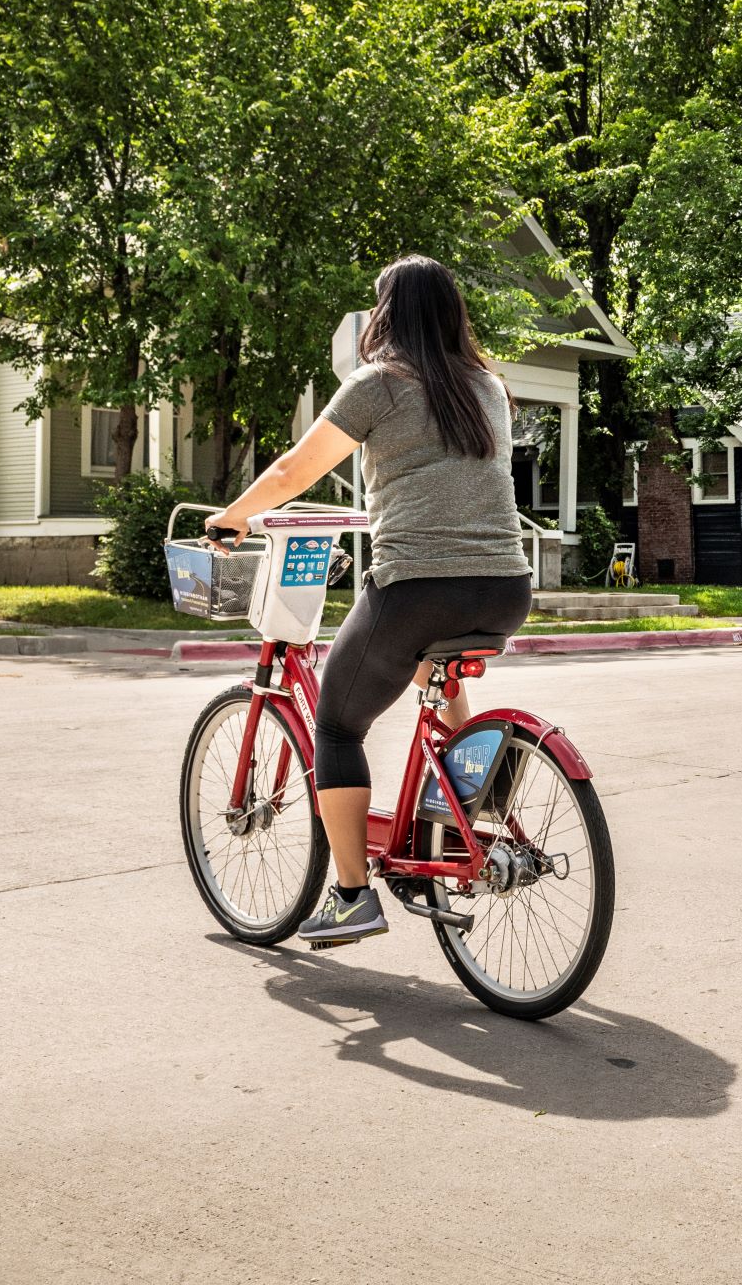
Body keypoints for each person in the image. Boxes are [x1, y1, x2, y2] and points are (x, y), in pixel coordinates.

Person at [204, 255, 534, 946]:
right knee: (433, 677)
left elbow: (295, 469)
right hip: (505, 585)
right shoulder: (487, 385)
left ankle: (353, 895)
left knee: (336, 728)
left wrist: (233, 515)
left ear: (387, 314)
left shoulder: (378, 384)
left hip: (418, 584)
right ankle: (465, 816)